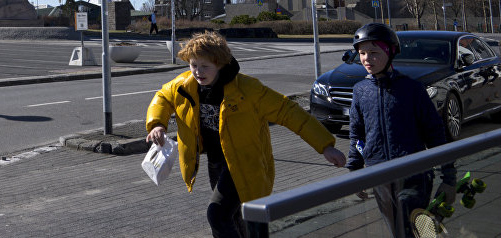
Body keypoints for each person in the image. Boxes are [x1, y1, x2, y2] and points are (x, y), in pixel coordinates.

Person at [146, 31, 345, 238]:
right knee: (236, 217)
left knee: (217, 215)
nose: (198, 72)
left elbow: (290, 113)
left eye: (205, 66)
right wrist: (157, 124)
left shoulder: (249, 89)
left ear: (220, 64)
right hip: (216, 162)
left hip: (243, 162)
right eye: (194, 65)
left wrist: (325, 145)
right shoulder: (185, 85)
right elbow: (163, 97)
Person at [346, 23, 457, 237]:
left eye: (374, 52)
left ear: (390, 52)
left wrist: (449, 177)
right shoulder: (360, 91)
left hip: (413, 174)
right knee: (397, 231)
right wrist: (354, 171)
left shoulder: (411, 89)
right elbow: (356, 133)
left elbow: (435, 133)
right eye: (362, 53)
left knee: (415, 230)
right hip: (379, 175)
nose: (366, 58)